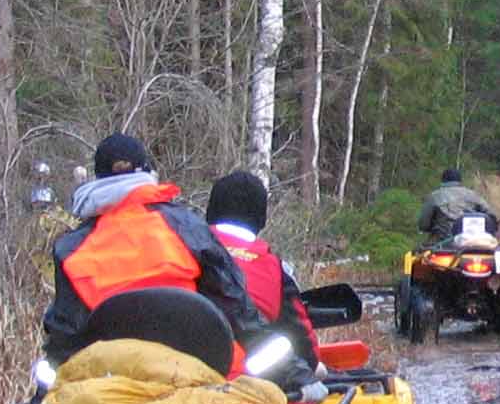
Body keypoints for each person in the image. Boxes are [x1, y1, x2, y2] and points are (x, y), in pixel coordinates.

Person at [40, 132, 264, 365]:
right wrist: (292, 377)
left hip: (110, 377)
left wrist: (43, 395)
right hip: (192, 371)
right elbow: (235, 306)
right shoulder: (187, 227)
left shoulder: (71, 248)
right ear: (147, 171)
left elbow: (64, 336)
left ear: (97, 177)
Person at [205, 169, 320, 372]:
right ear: (261, 219)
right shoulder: (275, 269)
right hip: (247, 385)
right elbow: (303, 341)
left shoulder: (182, 246)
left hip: (176, 371)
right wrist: (310, 369)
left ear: (210, 210)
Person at [416, 167, 497, 245]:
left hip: (443, 242)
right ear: (460, 181)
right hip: (472, 241)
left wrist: (427, 228)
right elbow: (491, 215)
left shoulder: (435, 196)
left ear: (443, 180)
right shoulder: (473, 195)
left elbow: (423, 224)